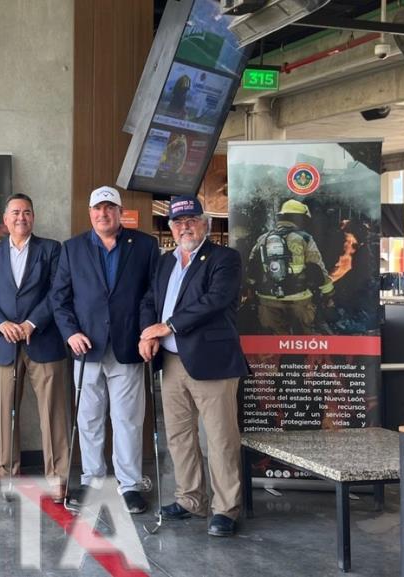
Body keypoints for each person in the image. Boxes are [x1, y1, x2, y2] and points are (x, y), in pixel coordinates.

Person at [139, 195, 250, 537]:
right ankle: (190, 500)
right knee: (179, 436)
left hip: (213, 362)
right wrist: (147, 334)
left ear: (206, 224)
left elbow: (214, 301)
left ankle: (226, 509)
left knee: (220, 439)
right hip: (171, 362)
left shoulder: (224, 258)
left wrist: (167, 326)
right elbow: (149, 301)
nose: (184, 226)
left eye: (191, 220)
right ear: (170, 226)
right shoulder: (164, 262)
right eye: (178, 221)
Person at [51, 185, 159, 514]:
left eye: (109, 207)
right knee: (89, 419)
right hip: (87, 349)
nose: (103, 214)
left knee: (127, 419)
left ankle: (129, 486)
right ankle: (92, 480)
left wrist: (146, 333)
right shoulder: (72, 249)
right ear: (90, 213)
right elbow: (59, 298)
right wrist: (70, 333)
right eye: (97, 208)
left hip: (129, 346)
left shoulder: (145, 245)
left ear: (119, 210)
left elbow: (151, 294)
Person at [0, 193, 69, 502]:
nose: (21, 217)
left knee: (52, 411)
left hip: (43, 340)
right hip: (5, 344)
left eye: (26, 212)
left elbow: (57, 292)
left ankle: (58, 477)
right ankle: (4, 469)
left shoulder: (51, 249)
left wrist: (31, 324)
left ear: (33, 217)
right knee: (5, 410)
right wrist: (1, 323)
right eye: (15, 212)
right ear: (5, 219)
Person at [245, 198, 334, 334]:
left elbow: (252, 268)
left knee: (275, 346)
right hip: (300, 300)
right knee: (304, 342)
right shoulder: (304, 238)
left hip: (268, 301)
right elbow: (317, 268)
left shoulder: (263, 239)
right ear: (300, 218)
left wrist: (250, 289)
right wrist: (328, 293)